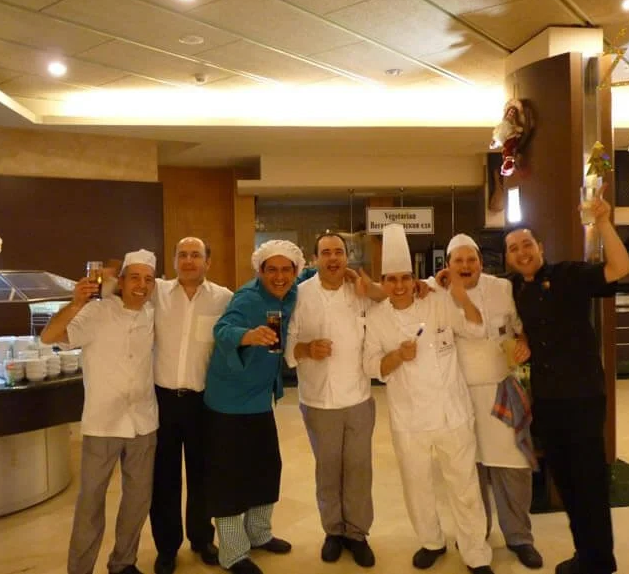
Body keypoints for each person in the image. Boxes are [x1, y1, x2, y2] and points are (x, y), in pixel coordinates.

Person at [504, 188, 629, 574]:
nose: (522, 252)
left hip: (582, 396)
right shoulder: (513, 290)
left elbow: (620, 268)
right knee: (567, 484)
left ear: (540, 247)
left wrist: (604, 222)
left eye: (527, 244)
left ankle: (600, 561)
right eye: (514, 248)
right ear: (508, 258)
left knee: (590, 483)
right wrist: (520, 340)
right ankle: (587, 556)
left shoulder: (569, 275)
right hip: (547, 401)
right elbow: (509, 325)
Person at [363, 224, 496, 574]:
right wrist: (395, 357)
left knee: (464, 485)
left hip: (452, 412)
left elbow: (476, 327)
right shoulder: (376, 319)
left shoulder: (437, 301)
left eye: (406, 278)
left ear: (413, 278)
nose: (400, 285)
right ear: (383, 282)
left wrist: (455, 290)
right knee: (417, 485)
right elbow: (371, 366)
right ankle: (431, 541)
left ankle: (475, 552)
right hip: (409, 419)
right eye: (391, 279)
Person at [41, 249, 159, 574]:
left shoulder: (153, 313)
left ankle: (123, 563)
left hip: (144, 421)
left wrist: (109, 274)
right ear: (121, 282)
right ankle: (80, 569)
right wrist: (77, 301)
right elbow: (48, 336)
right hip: (102, 423)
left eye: (148, 279)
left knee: (137, 501)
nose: (142, 284)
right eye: (134, 277)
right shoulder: (96, 313)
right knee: (90, 503)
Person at [202, 239, 305, 574]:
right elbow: (223, 328)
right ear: (259, 271)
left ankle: (259, 534)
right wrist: (247, 336)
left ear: (295, 271)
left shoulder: (290, 293)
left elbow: (319, 273)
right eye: (270, 270)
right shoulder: (247, 298)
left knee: (265, 468)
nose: (278, 276)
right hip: (230, 402)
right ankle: (232, 553)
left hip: (260, 398)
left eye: (285, 269)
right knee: (230, 478)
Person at [442, 234, 543, 570]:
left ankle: (520, 538)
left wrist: (523, 344)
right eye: (459, 261)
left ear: (481, 263)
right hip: (459, 395)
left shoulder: (502, 288)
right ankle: (475, 534)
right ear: (448, 265)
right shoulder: (437, 292)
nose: (466, 266)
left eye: (472, 260)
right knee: (469, 472)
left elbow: (518, 329)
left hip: (501, 388)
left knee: (513, 468)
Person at [285, 233, 376, 567]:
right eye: (326, 253)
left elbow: (388, 303)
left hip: (358, 396)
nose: (334, 258)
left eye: (339, 252)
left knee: (358, 469)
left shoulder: (359, 290)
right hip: (318, 398)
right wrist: (307, 349)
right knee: (328, 470)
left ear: (347, 256)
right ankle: (333, 532)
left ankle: (357, 533)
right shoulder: (299, 295)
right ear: (315, 259)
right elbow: (287, 342)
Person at [149, 237, 233, 574]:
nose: (188, 260)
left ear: (207, 262)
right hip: (162, 400)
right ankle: (167, 548)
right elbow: (114, 284)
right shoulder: (155, 292)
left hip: (203, 401)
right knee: (164, 478)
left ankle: (201, 538)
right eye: (182, 255)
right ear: (173, 260)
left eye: (196, 255)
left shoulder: (224, 298)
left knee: (203, 475)